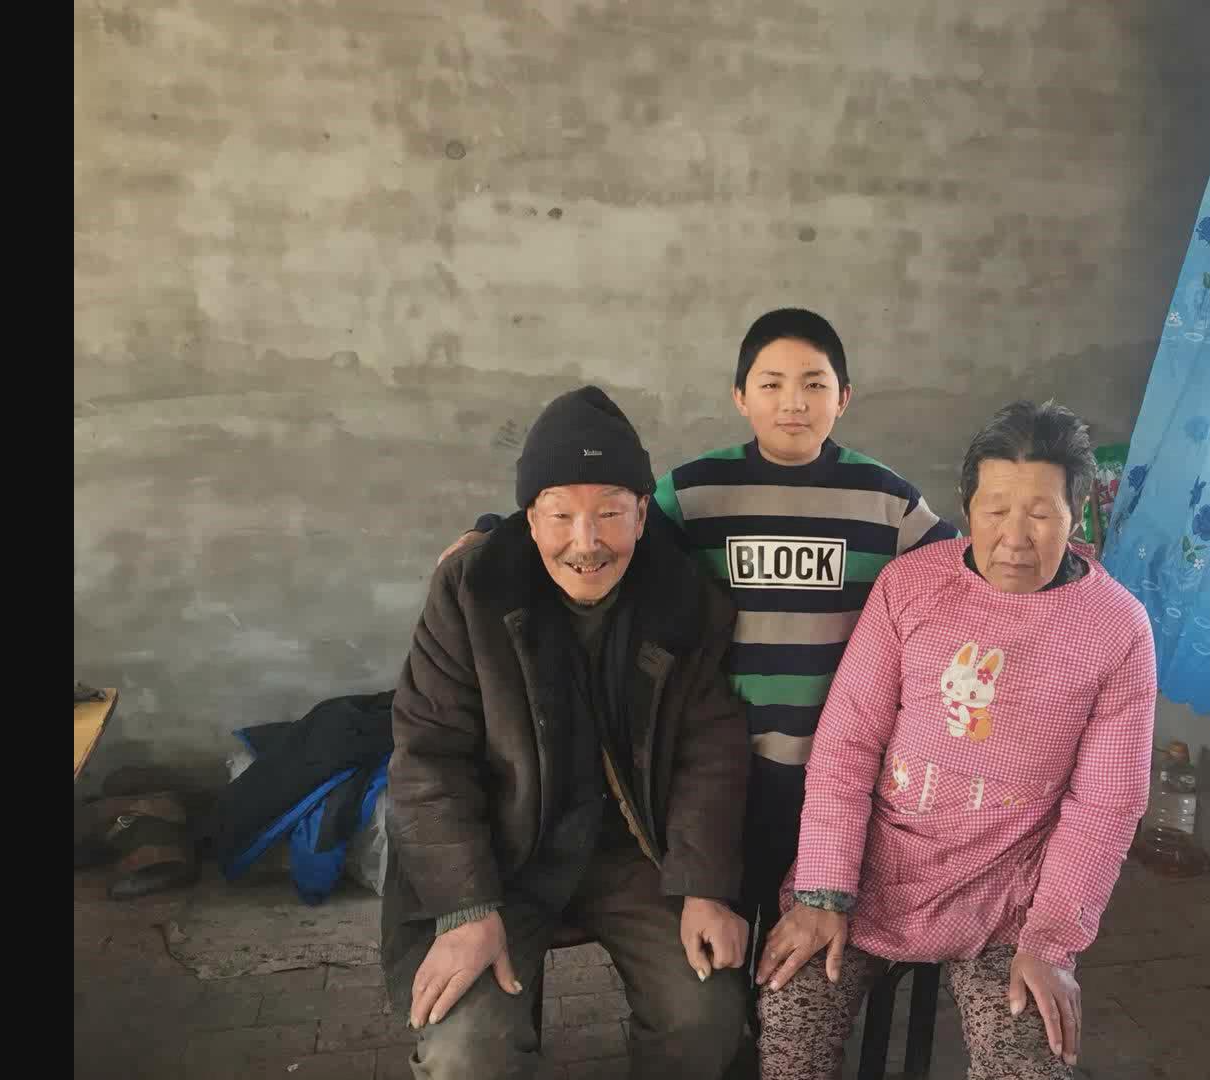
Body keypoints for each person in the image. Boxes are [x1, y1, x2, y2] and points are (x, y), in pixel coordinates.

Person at [438, 310, 958, 975]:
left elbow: (956, 570)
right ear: (740, 396)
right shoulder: (694, 492)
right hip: (725, 762)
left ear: (844, 397)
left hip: (833, 766)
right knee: (728, 932)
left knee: (803, 932)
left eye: (814, 384)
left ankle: (787, 1020)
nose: (793, 402)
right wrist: (491, 531)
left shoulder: (886, 499)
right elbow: (597, 524)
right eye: (770, 384)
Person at [751, 400, 1157, 1080]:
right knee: (792, 1020)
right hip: (874, 870)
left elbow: (1105, 805)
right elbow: (848, 744)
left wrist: (1052, 942)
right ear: (966, 508)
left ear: (1077, 516)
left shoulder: (1117, 628)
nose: (1015, 538)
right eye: (996, 510)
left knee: (1030, 1060)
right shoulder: (910, 585)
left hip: (1010, 898)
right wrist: (823, 891)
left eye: (1041, 513)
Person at [383, 385, 753, 1079]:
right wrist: (465, 908)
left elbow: (712, 749)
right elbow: (428, 758)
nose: (586, 543)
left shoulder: (685, 598)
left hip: (635, 852)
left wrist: (704, 886)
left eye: (610, 512)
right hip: (502, 854)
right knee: (467, 1052)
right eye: (560, 515)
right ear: (529, 518)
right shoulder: (471, 590)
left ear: (643, 512)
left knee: (703, 1015)